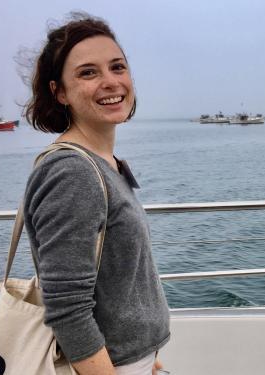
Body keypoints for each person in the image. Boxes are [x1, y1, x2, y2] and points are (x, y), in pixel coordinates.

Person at [23, 12, 170, 375]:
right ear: (59, 92)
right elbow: (68, 308)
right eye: (88, 72)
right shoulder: (72, 172)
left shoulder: (104, 162)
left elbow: (119, 281)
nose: (110, 81)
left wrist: (148, 356)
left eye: (117, 67)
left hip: (131, 362)